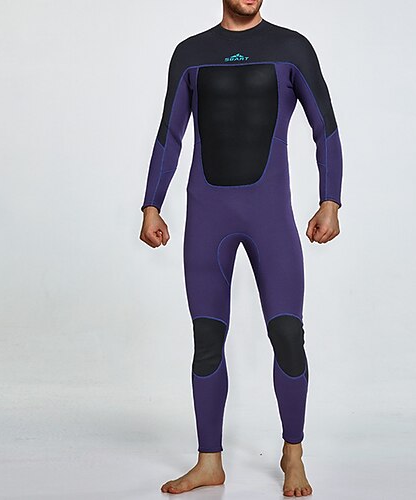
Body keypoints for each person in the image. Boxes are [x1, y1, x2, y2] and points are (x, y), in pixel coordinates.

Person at [139, 0, 343, 496]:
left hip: (269, 216)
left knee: (288, 335)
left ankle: (293, 454)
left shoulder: (291, 47)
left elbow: (326, 127)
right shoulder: (191, 53)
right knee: (207, 339)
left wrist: (330, 201)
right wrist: (151, 205)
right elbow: (169, 134)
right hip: (208, 216)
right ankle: (209, 462)